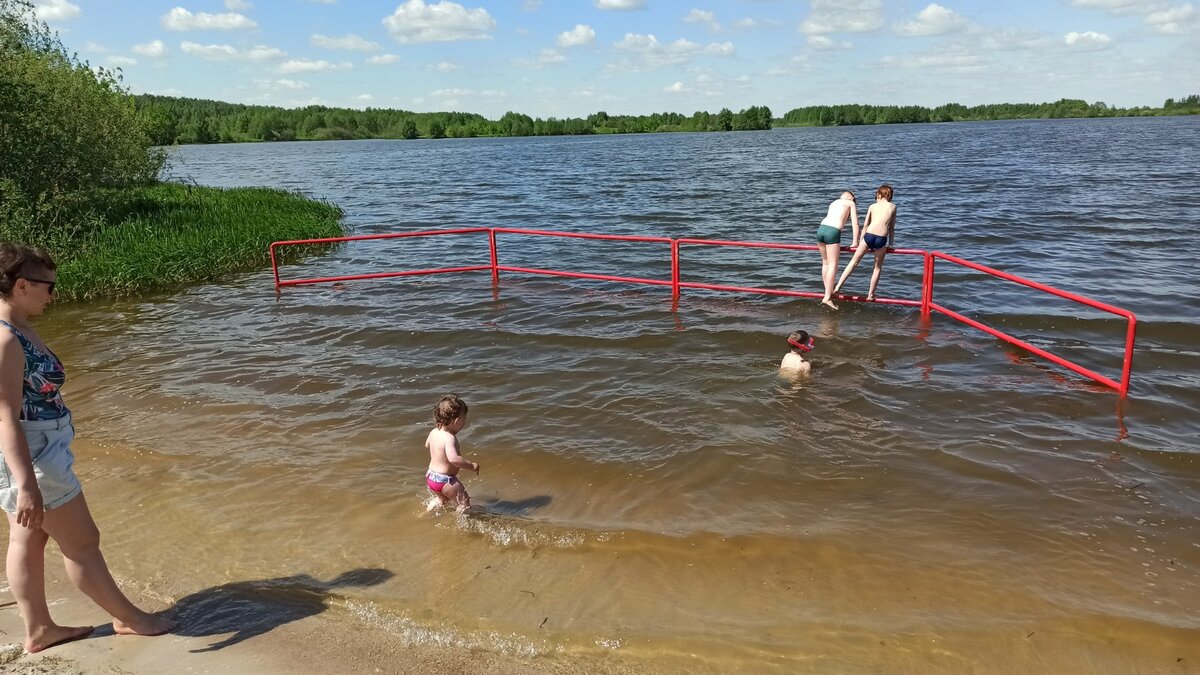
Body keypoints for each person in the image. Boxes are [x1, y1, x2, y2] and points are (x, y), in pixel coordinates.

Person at [0, 242, 174, 654]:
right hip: (35, 453)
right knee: (82, 542)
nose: (53, 294)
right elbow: (6, 415)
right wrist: (27, 484)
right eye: (48, 286)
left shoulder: (18, 324)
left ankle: (40, 629)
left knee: (29, 540)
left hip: (33, 449)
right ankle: (131, 620)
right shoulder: (7, 339)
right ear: (22, 285)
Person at [833, 184, 897, 301]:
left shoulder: (872, 206)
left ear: (879, 194)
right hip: (881, 239)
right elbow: (891, 227)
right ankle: (870, 294)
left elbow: (866, 225)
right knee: (877, 268)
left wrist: (860, 240)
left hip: (869, 236)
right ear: (889, 196)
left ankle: (837, 287)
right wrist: (891, 244)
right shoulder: (893, 207)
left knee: (853, 262)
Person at [425, 394, 479, 513]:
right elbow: (454, 459)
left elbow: (427, 444)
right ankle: (463, 524)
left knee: (442, 499)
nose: (464, 423)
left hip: (431, 477)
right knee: (464, 502)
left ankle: (427, 511)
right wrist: (471, 465)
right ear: (456, 421)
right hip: (445, 480)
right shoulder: (449, 438)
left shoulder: (434, 431)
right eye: (464, 419)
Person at [815, 191, 859, 310]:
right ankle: (827, 297)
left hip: (821, 229)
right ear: (852, 198)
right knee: (833, 265)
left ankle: (827, 292)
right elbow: (855, 223)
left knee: (825, 263)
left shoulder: (833, 203)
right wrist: (855, 242)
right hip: (832, 231)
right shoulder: (850, 203)